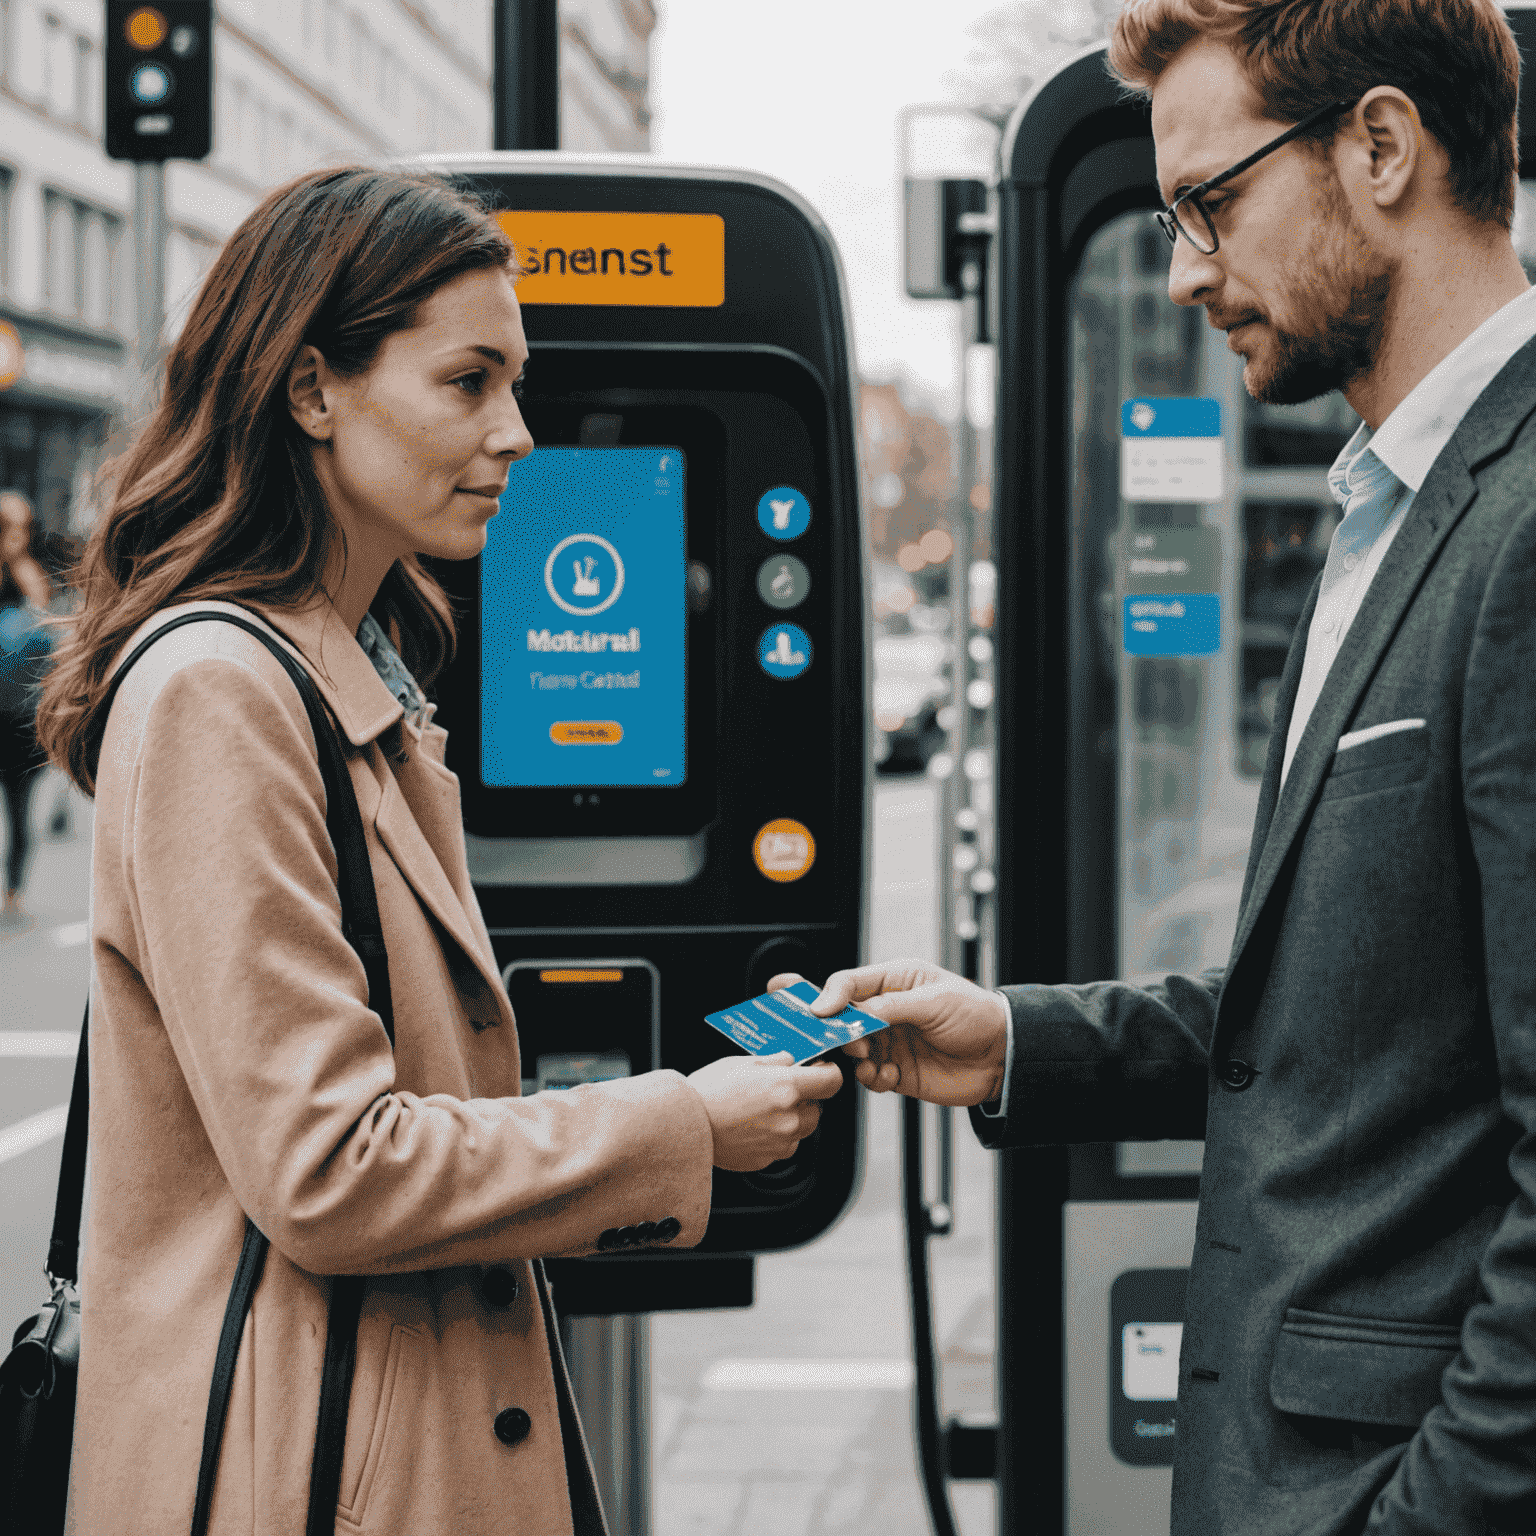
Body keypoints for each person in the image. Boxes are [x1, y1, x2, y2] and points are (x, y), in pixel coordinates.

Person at [781, 1, 1536, 1531]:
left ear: (1381, 146)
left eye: (1210, 202)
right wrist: (1007, 1037)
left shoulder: (1520, 531)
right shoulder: (1386, 511)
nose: (1186, 267)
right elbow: (1342, 1025)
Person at [34, 166, 844, 1535]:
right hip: (306, 1472)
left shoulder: (354, 670)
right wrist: (681, 1124)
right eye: (469, 382)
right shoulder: (224, 692)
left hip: (375, 1447)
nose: (518, 434)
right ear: (312, 389)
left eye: (513, 383)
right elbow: (330, 1169)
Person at [0, 489, 55, 930]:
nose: (20, 535)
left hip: (17, 717)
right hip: (13, 712)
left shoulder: (27, 576)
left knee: (19, 808)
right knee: (18, 809)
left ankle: (12, 891)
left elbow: (46, 646)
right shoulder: (26, 578)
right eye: (14, 526)